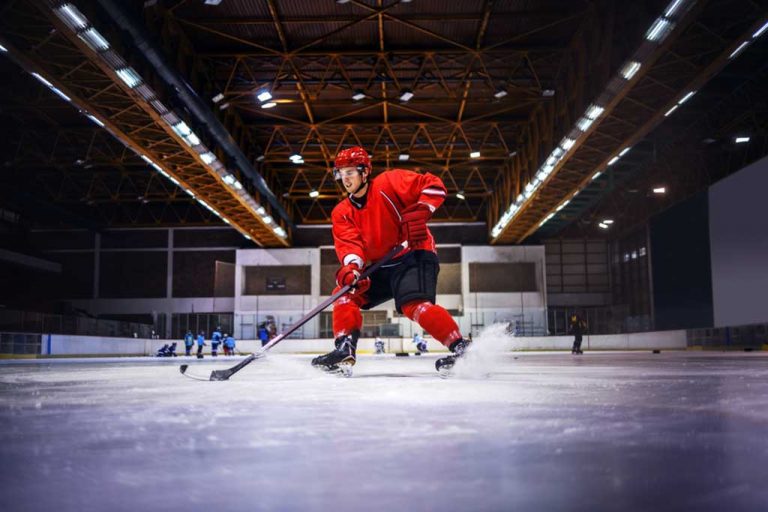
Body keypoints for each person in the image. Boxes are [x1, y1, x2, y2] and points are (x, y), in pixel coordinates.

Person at [311, 146, 470, 375]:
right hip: (379, 264)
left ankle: (462, 348)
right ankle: (344, 348)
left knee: (413, 305)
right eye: (341, 173)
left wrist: (423, 209)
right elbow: (350, 245)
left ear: (365, 172)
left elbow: (433, 185)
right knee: (344, 292)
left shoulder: (389, 182)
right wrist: (353, 269)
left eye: (350, 172)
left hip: (413, 254)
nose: (345, 179)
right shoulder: (342, 212)